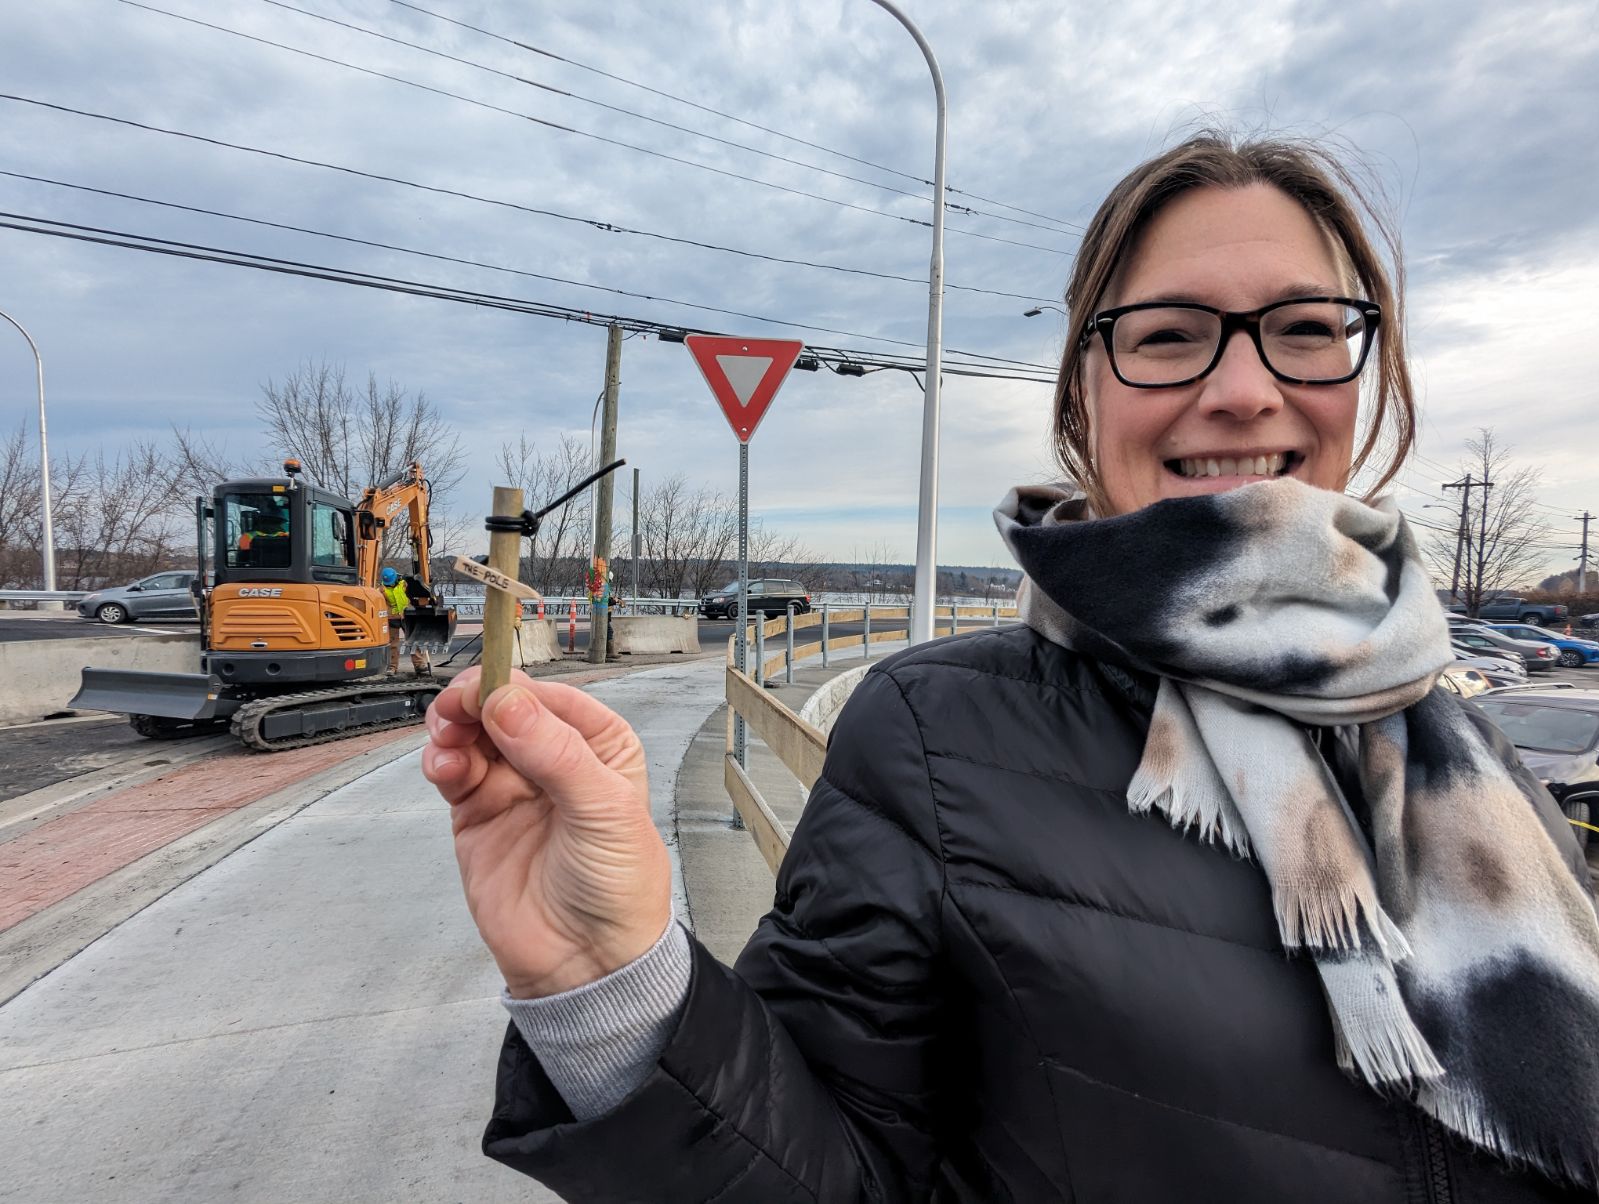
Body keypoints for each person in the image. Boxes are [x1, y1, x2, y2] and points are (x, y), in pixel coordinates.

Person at [423, 133, 1599, 1202]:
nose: (1244, 387)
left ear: (1363, 374)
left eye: (1303, 328)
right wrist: (610, 976)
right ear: (1084, 396)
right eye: (1170, 336)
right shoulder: (934, 742)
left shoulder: (1459, 740)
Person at [380, 565, 430, 677]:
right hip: (392, 618)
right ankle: (392, 667)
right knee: (393, 644)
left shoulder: (404, 584)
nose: (390, 585)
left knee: (413, 640)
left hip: (407, 615)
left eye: (391, 583)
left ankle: (419, 665)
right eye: (388, 583)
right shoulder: (382, 590)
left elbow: (415, 591)